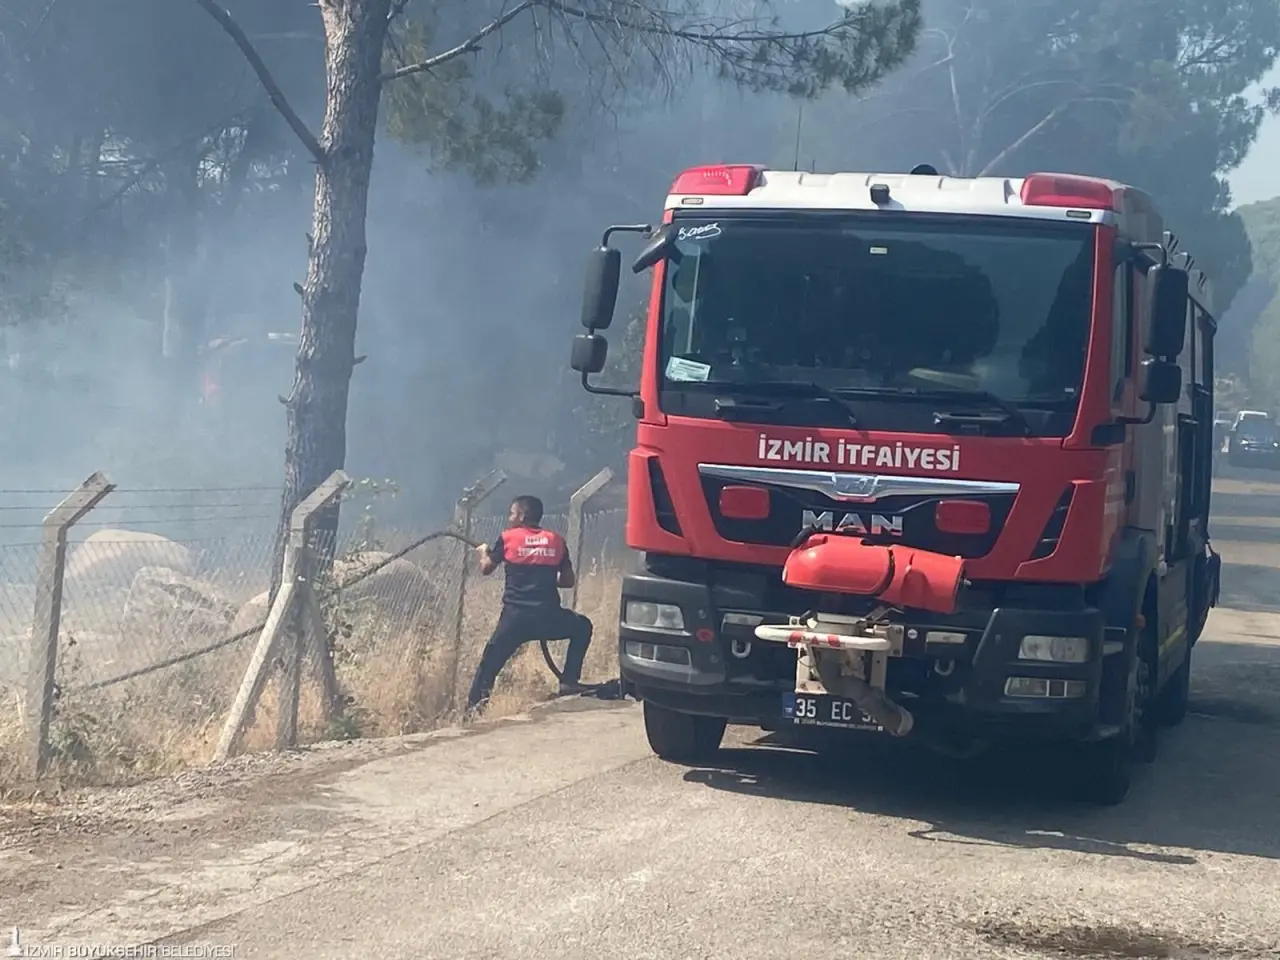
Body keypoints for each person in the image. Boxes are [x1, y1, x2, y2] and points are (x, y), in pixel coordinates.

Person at [465, 494, 594, 714]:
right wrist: (544, 579)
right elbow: (568, 581)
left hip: (515, 620)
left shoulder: (508, 538)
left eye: (512, 513)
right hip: (549, 618)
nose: (509, 518)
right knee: (583, 626)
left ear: (522, 515)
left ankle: (473, 713)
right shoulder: (556, 540)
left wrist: (483, 552)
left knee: (489, 665)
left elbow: (486, 568)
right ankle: (569, 681)